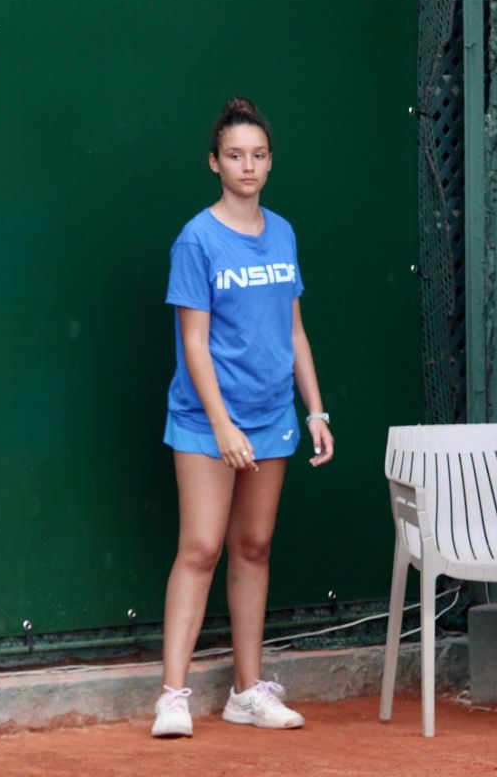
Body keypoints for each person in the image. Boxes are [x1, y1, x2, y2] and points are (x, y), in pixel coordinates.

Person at [152, 97, 334, 738]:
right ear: (215, 163)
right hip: (207, 423)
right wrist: (223, 424)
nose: (247, 166)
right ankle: (173, 696)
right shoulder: (196, 239)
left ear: (269, 162)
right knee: (200, 548)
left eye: (258, 155)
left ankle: (246, 692)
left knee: (253, 548)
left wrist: (315, 409)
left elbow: (294, 329)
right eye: (235, 155)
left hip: (273, 417)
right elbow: (194, 343)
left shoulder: (282, 232)